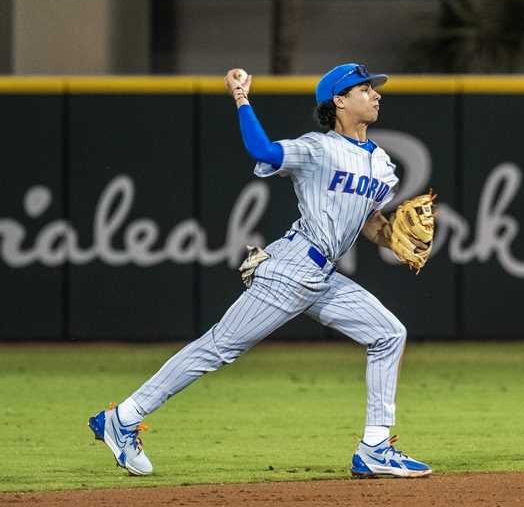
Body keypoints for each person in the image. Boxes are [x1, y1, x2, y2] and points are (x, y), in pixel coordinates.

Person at [88, 63, 432, 479]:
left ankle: (375, 447)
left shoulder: (380, 163)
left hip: (323, 278)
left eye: (374, 89)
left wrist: (395, 236)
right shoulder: (317, 149)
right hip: (291, 268)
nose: (375, 94)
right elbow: (263, 151)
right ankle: (123, 417)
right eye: (364, 89)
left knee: (388, 333)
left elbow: (370, 223)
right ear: (339, 101)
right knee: (217, 348)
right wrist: (241, 97)